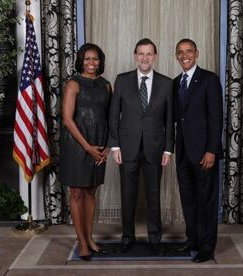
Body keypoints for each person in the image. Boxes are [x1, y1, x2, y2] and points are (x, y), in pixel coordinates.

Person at [108, 38, 174, 254]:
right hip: (127, 148)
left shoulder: (166, 83)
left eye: (149, 54)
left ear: (155, 56)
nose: (145, 58)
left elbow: (169, 119)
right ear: (135, 55)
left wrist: (167, 149)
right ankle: (127, 237)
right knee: (127, 195)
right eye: (141, 53)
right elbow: (113, 115)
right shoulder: (122, 80)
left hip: (155, 148)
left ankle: (155, 239)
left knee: (154, 195)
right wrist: (115, 146)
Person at [59, 43, 111, 261]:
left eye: (96, 59)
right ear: (81, 60)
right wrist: (87, 147)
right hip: (76, 146)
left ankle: (90, 238)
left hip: (98, 146)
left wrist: (106, 147)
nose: (92, 63)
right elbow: (67, 120)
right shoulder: (73, 84)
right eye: (88, 59)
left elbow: (110, 118)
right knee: (77, 193)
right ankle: (81, 241)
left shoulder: (106, 85)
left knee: (91, 191)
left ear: (100, 61)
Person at [173, 38, 222, 263]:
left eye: (189, 51)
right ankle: (192, 239)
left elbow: (215, 118)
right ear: (176, 56)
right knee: (188, 199)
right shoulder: (175, 83)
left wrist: (211, 150)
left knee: (207, 200)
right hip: (183, 152)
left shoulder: (209, 80)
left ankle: (207, 246)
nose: (185, 55)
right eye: (181, 52)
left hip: (204, 153)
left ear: (197, 53)